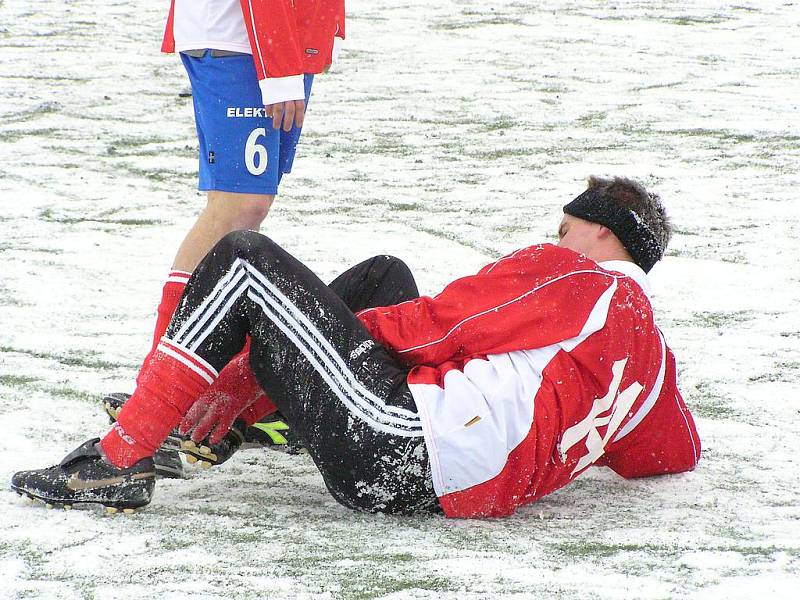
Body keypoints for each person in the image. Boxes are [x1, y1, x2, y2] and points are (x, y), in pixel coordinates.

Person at [12, 176, 701, 518]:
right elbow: (673, 454)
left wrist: (250, 365)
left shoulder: (574, 273)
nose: (555, 235)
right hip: (452, 482)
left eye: (566, 224)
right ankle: (252, 422)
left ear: (602, 233)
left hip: (400, 448)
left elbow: (435, 329)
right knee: (383, 276)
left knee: (243, 260)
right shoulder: (655, 355)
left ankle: (117, 462)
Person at [112, 1, 346, 469]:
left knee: (243, 209)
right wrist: (278, 69)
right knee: (236, 208)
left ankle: (184, 396)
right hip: (247, 40)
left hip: (275, 38)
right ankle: (157, 399)